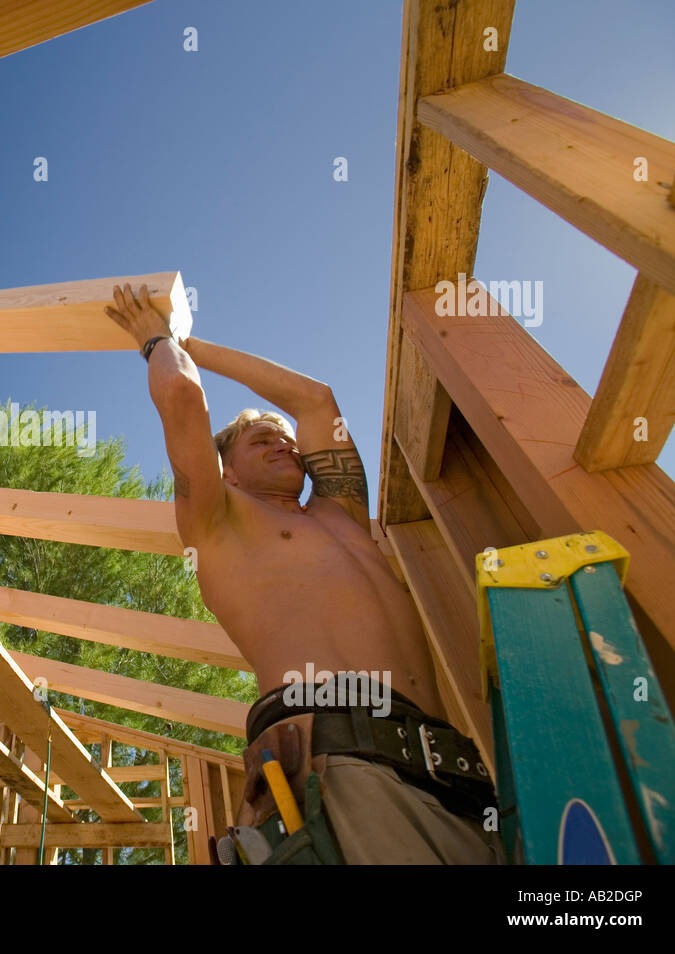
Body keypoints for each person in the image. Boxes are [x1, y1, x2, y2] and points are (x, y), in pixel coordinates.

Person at [105, 283, 502, 864]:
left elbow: (316, 401)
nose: (284, 446)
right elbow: (184, 397)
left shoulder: (339, 514)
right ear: (227, 472)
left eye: (287, 443)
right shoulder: (217, 523)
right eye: (262, 441)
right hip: (337, 769)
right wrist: (156, 338)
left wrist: (195, 341)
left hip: (449, 773)